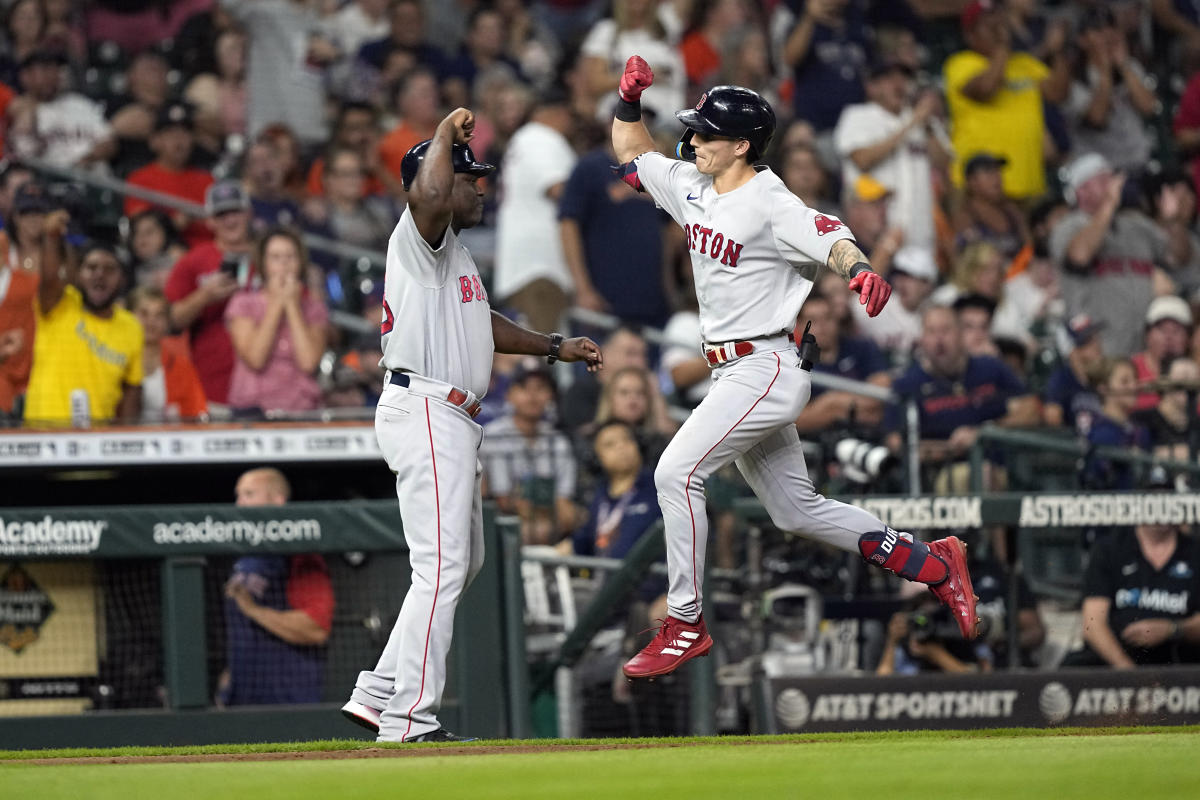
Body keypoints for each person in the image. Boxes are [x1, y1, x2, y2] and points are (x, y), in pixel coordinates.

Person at [610, 56, 980, 682]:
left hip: (765, 364)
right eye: (694, 128)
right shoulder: (694, 184)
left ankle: (685, 622)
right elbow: (629, 154)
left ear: (742, 146)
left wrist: (858, 270)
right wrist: (627, 101)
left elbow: (830, 234)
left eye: (706, 131)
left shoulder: (770, 199)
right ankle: (933, 563)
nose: (693, 138)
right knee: (796, 511)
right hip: (733, 371)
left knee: (676, 471)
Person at [340, 108, 601, 743]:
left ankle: (380, 691)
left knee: (465, 561)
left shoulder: (451, 253)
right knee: (443, 564)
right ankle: (409, 717)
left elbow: (482, 325)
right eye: (470, 176)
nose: (480, 185)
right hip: (427, 405)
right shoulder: (418, 232)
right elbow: (426, 190)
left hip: (449, 414)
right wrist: (439, 136)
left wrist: (552, 345)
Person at [884, 305, 1040, 490]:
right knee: (967, 477)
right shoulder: (908, 383)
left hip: (1000, 468)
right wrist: (950, 449)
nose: (939, 340)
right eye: (932, 332)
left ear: (961, 335)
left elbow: (1032, 408)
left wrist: (982, 433)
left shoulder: (990, 368)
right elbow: (895, 442)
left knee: (986, 473)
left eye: (946, 330)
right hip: (936, 475)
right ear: (922, 339)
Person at [221, 467, 335, 705]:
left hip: (288, 698)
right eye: (238, 495)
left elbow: (315, 628)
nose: (240, 504)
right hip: (242, 697)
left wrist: (253, 610)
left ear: (277, 500)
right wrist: (228, 679)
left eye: (249, 494)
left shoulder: (298, 556)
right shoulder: (244, 557)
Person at [1049, 153, 1177, 358]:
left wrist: (1172, 221)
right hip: (1099, 346)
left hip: (1146, 348)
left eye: (1113, 178)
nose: (1114, 184)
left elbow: (1176, 257)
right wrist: (1109, 204)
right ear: (1081, 191)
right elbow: (1079, 256)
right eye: (1103, 179)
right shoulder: (1068, 226)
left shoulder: (1135, 224)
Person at [24, 211, 142, 425]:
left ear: (123, 280)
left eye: (109, 269)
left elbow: (131, 391)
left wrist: (126, 441)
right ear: (78, 274)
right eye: (91, 267)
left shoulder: (131, 326)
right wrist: (51, 237)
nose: (99, 274)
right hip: (43, 436)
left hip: (96, 443)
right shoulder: (61, 304)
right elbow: (49, 278)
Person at [943, 0, 1068, 200]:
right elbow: (986, 89)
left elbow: (1058, 94)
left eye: (1000, 22)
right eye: (988, 25)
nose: (997, 29)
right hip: (978, 190)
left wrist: (1057, 51)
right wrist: (1003, 44)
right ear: (970, 35)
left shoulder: (1023, 63)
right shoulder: (960, 64)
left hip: (1028, 184)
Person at [833, 59, 948, 250]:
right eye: (889, 79)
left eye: (904, 78)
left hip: (922, 233)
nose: (899, 84)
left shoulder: (925, 123)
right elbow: (863, 160)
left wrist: (926, 125)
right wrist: (913, 122)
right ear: (872, 87)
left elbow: (944, 163)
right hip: (875, 234)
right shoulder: (858, 116)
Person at [494, 90, 578, 334]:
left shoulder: (524, 140)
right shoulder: (541, 137)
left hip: (525, 269)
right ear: (557, 113)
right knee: (544, 357)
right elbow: (558, 189)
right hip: (540, 270)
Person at [164, 180, 255, 407]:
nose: (230, 220)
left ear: (248, 214)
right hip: (212, 386)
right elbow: (171, 321)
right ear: (209, 221)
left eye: (235, 211)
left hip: (266, 386)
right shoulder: (193, 261)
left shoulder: (272, 256)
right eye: (221, 214)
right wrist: (204, 296)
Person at [1067, 517, 1200, 668]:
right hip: (1117, 659)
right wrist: (1130, 675)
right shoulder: (1110, 549)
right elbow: (1093, 625)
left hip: (1178, 657)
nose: (1160, 512)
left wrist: (1173, 629)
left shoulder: (1195, 552)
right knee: (1073, 666)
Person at [225, 227, 329, 414]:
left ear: (301, 262)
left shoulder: (314, 308)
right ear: (263, 264)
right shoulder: (242, 303)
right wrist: (276, 304)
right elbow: (256, 359)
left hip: (301, 407)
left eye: (290, 257)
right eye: (275, 257)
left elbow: (309, 362)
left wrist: (292, 306)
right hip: (253, 409)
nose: (284, 264)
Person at [480, 360, 579, 546]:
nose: (533, 395)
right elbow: (502, 501)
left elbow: (565, 509)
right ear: (509, 394)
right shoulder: (491, 436)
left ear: (550, 395)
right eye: (524, 387)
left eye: (541, 388)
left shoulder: (558, 442)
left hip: (550, 533)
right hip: (497, 532)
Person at [794, 292, 891, 434]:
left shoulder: (863, 347)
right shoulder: (792, 362)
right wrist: (835, 407)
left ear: (837, 319)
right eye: (812, 320)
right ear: (799, 325)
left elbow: (880, 394)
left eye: (827, 318)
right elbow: (796, 420)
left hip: (868, 437)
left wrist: (830, 404)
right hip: (817, 444)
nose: (822, 326)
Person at [124, 102, 215, 247]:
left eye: (184, 133)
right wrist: (173, 224)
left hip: (207, 254)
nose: (179, 140)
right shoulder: (140, 179)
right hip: (164, 255)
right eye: (170, 133)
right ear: (154, 141)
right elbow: (141, 228)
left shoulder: (207, 180)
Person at [128, 286, 207, 422]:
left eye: (159, 315)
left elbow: (197, 413)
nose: (151, 321)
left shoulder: (182, 366)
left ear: (167, 322)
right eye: (144, 313)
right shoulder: (115, 360)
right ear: (128, 317)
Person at [851, 244, 936, 363]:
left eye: (910, 277)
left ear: (927, 285)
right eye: (899, 275)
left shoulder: (937, 316)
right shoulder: (872, 305)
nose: (902, 282)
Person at [1079, 358, 1150, 491]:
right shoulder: (1099, 431)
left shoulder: (1140, 429)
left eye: (1135, 380)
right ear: (1104, 389)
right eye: (1125, 382)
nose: (1133, 386)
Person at [951, 152, 1031, 266]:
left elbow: (1029, 247)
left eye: (998, 171)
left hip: (1019, 276)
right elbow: (964, 263)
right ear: (972, 182)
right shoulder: (965, 217)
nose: (997, 178)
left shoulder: (1011, 210)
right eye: (989, 173)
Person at [1043, 314, 1105, 429]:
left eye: (1096, 338)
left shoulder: (1106, 375)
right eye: (1087, 342)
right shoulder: (1061, 379)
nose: (1096, 345)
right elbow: (1052, 418)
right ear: (1073, 352)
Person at [1131, 296, 1192, 412]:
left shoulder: (1194, 373)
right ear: (1147, 335)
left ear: (1188, 338)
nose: (1169, 337)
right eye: (1162, 329)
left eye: (1176, 330)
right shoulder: (1129, 370)